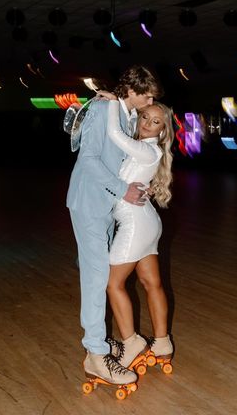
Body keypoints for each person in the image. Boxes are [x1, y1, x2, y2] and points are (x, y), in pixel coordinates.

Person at [66, 65, 163, 386]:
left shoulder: (128, 115)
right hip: (90, 202)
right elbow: (90, 158)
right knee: (97, 277)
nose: (150, 100)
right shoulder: (104, 108)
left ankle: (103, 341)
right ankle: (95, 354)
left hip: (109, 207)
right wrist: (125, 190)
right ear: (132, 89)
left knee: (98, 271)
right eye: (147, 93)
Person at [97, 91, 175, 372]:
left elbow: (115, 134)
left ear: (163, 130)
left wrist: (112, 104)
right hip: (146, 222)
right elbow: (127, 130)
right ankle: (162, 342)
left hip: (135, 225)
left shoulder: (146, 149)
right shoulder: (144, 148)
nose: (147, 124)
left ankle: (131, 342)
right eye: (145, 117)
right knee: (151, 283)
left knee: (113, 284)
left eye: (155, 122)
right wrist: (126, 107)